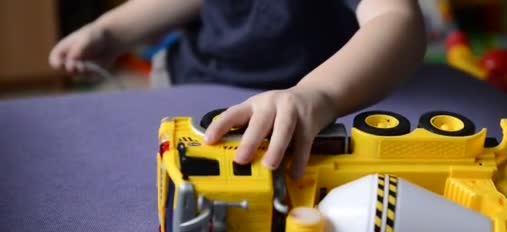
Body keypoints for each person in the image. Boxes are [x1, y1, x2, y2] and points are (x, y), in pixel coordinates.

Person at [49, 0, 427, 179]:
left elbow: (397, 20)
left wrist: (320, 93)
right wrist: (110, 31)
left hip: (305, 96)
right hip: (189, 76)